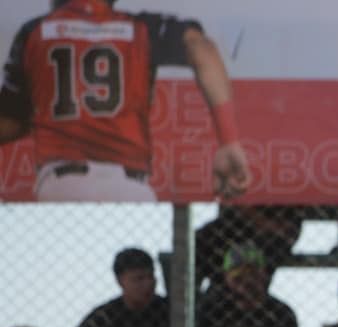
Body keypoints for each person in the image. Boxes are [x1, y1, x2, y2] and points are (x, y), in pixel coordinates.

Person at [0, 0, 249, 201]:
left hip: (62, 184)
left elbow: (12, 120)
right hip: (129, 187)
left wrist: (46, 116)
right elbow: (202, 48)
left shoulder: (35, 31)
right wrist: (228, 141)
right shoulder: (142, 28)